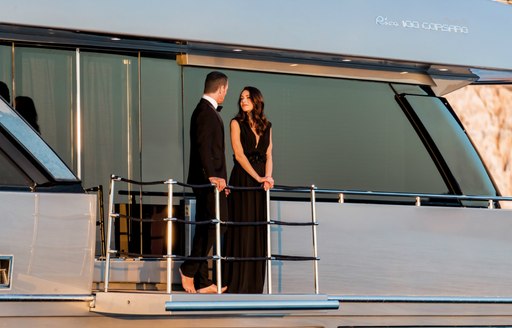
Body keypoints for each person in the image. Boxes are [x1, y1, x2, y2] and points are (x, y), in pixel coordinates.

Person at [180, 71, 229, 294]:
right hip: (207, 180)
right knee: (214, 223)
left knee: (206, 225)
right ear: (221, 89)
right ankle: (189, 270)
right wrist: (212, 176)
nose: (226, 94)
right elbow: (203, 147)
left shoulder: (206, 111)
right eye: (226, 90)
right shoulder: (204, 112)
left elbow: (213, 151)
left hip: (213, 179)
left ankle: (202, 281)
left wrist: (222, 180)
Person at [223, 86, 274, 293]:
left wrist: (268, 177)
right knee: (241, 227)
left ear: (256, 101)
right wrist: (258, 177)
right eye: (241, 98)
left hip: (261, 182)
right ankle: (235, 282)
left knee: (257, 229)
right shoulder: (235, 123)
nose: (243, 101)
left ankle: (254, 284)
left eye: (247, 97)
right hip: (244, 179)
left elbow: (269, 154)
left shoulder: (267, 126)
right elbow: (239, 155)